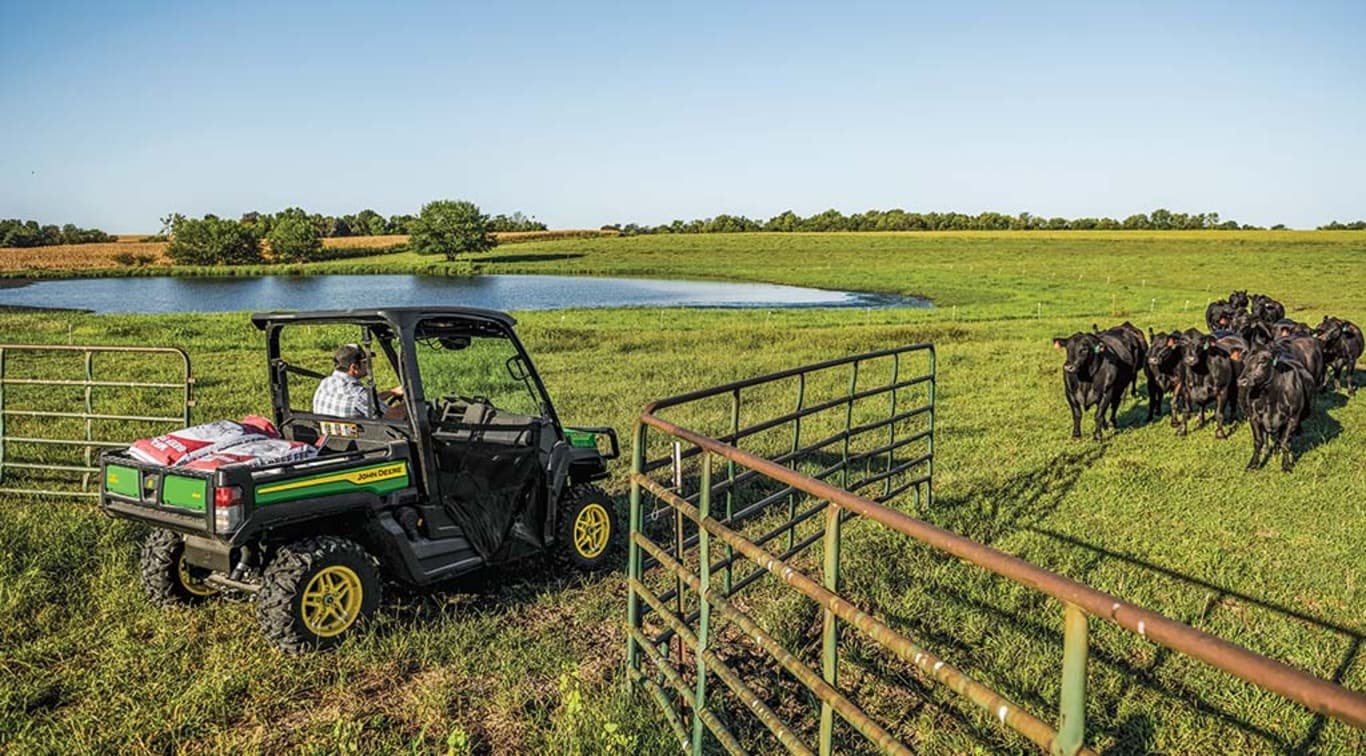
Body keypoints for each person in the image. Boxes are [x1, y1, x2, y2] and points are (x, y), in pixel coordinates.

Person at [312, 344, 403, 418]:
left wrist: (392, 392)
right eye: (365, 362)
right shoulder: (358, 394)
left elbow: (367, 402)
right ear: (354, 367)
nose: (368, 365)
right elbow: (396, 415)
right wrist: (411, 402)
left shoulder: (325, 383)